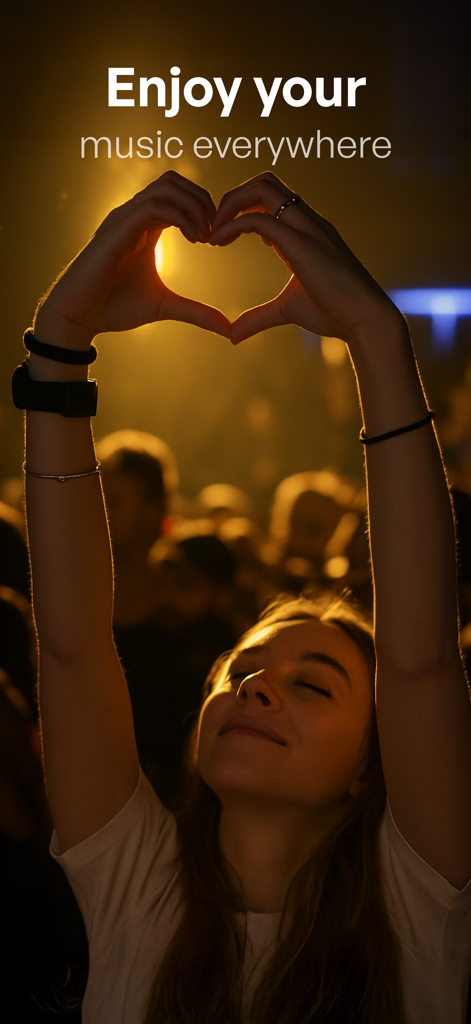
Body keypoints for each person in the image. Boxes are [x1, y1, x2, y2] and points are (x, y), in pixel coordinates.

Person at [15, 170, 471, 1023]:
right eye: (241, 669)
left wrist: (376, 334)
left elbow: (418, 659)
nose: (252, 686)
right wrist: (59, 341)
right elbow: (74, 642)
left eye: (312, 683)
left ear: (375, 759)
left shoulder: (419, 909)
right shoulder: (136, 891)